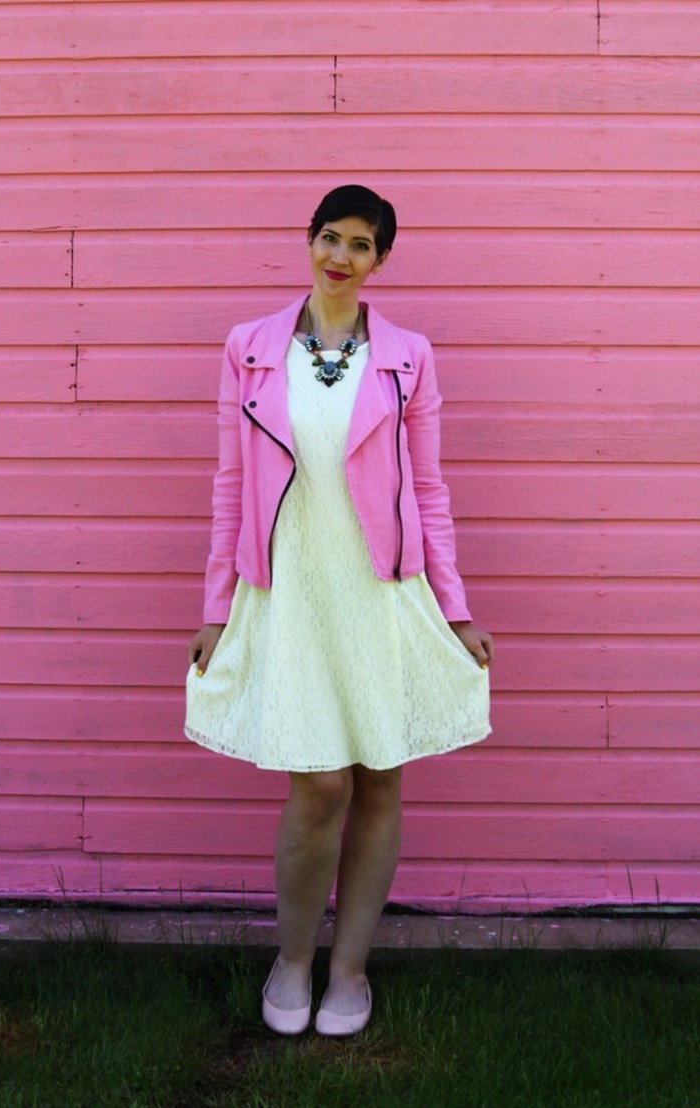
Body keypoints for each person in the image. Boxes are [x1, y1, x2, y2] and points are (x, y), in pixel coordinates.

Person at [185, 184, 493, 1037]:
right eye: (330, 237)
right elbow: (230, 484)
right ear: (309, 240)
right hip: (288, 589)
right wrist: (217, 606)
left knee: (379, 774)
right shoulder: (250, 348)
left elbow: (427, 488)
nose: (340, 256)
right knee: (319, 781)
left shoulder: (407, 357)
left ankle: (349, 969)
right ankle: (292, 958)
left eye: (360, 244)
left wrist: (453, 608)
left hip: (380, 588)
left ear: (379, 260)